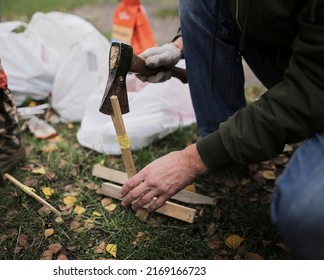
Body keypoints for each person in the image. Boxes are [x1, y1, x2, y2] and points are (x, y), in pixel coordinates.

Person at [119, 0, 324, 259]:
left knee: (305, 215)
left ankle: (220, 149)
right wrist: (181, 46)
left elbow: (309, 91)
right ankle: (226, 156)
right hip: (306, 66)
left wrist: (191, 160)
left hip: (313, 83)